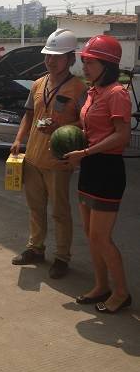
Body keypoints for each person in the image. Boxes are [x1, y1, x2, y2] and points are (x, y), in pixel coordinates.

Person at [11, 29, 87, 278]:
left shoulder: (78, 89)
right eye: (48, 56)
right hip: (32, 157)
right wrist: (19, 139)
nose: (50, 61)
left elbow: (87, 124)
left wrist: (64, 128)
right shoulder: (38, 84)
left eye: (56, 56)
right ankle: (35, 248)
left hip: (59, 161)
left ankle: (62, 257)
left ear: (69, 58)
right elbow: (29, 115)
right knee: (35, 207)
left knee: (60, 212)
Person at [64, 35, 132, 313]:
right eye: (84, 61)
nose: (85, 66)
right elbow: (92, 131)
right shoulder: (93, 92)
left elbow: (122, 136)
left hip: (107, 169)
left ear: (107, 64)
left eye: (90, 62)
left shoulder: (117, 93)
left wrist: (86, 153)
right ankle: (101, 285)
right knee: (91, 234)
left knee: (102, 237)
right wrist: (69, 138)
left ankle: (122, 293)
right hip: (90, 167)